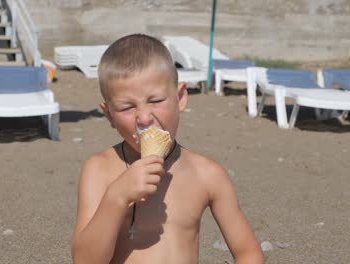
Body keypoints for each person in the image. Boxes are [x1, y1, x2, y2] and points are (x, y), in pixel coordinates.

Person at [71, 33, 264, 264]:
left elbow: (249, 252)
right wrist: (117, 197)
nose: (143, 118)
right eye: (126, 107)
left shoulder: (207, 174)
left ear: (180, 97)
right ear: (109, 115)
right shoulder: (99, 169)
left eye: (155, 101)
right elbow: (84, 260)